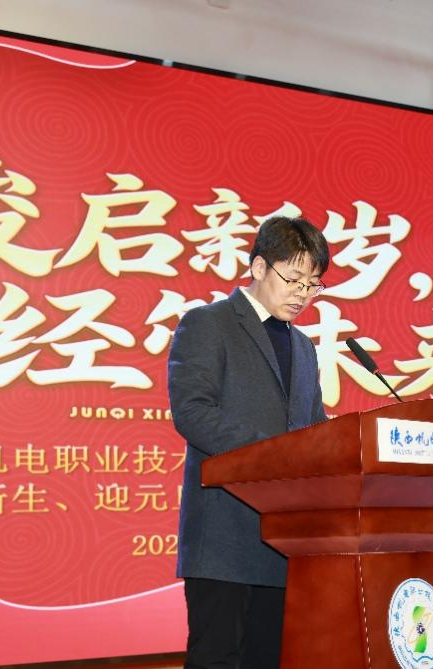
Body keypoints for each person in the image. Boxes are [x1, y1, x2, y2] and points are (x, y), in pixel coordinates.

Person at [167, 216, 330, 669]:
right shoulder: (208, 323)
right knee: (218, 659)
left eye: (312, 285)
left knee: (270, 658)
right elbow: (193, 412)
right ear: (259, 267)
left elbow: (314, 426)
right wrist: (278, 454)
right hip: (224, 535)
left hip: (284, 537)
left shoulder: (304, 347)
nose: (302, 294)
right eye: (293, 279)